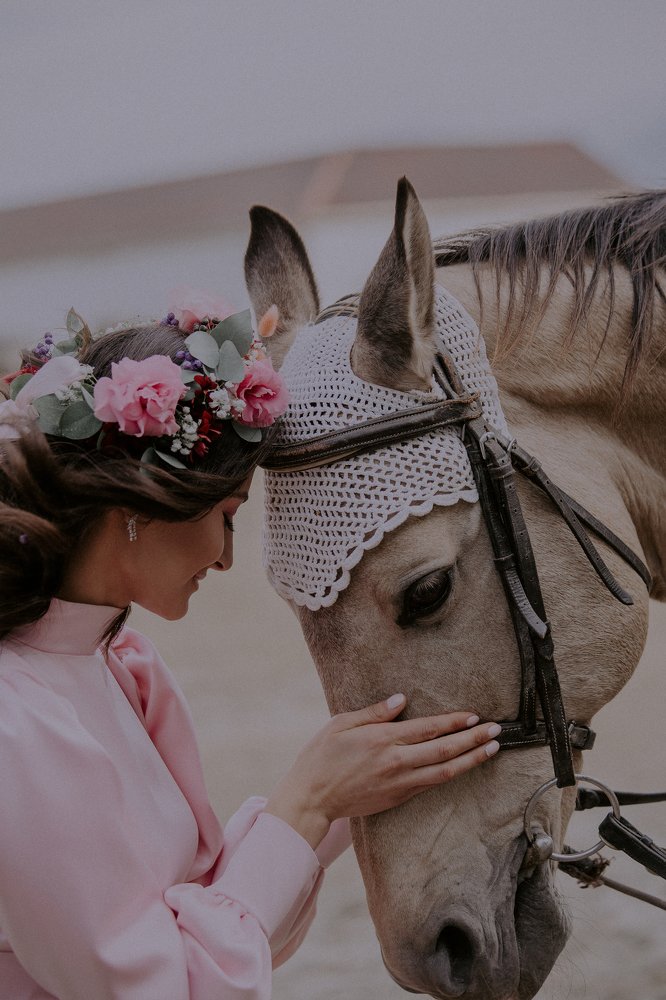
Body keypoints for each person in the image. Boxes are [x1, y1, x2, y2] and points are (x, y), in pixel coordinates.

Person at [0, 293, 501, 1000]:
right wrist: (304, 804)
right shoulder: (19, 725)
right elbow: (163, 984)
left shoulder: (115, 667)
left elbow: (200, 905)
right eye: (228, 516)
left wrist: (336, 796)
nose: (227, 558)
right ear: (140, 508)